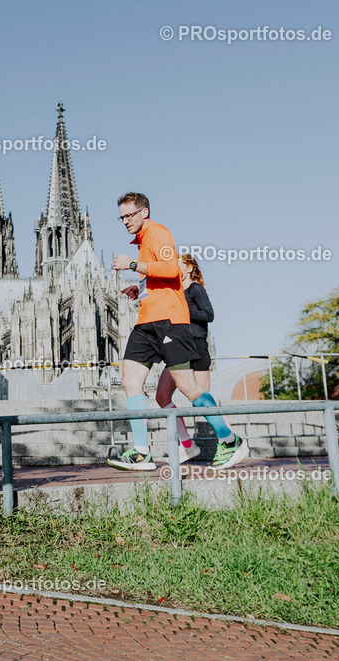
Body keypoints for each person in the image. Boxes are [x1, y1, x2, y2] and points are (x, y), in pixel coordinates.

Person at [109, 192, 247, 472]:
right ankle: (141, 451)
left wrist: (132, 265)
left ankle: (229, 438)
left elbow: (172, 269)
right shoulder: (143, 241)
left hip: (170, 322)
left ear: (143, 212)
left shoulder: (157, 231)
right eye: (121, 217)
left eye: (129, 215)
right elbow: (160, 277)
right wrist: (141, 288)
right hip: (146, 322)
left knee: (188, 385)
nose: (125, 221)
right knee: (130, 380)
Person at [155, 254, 214, 461]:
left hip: (197, 346)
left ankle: (229, 440)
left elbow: (209, 314)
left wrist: (183, 309)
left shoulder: (196, 289)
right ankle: (187, 444)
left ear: (189, 268)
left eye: (178, 264)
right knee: (162, 396)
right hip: (178, 348)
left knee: (200, 400)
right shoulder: (175, 293)